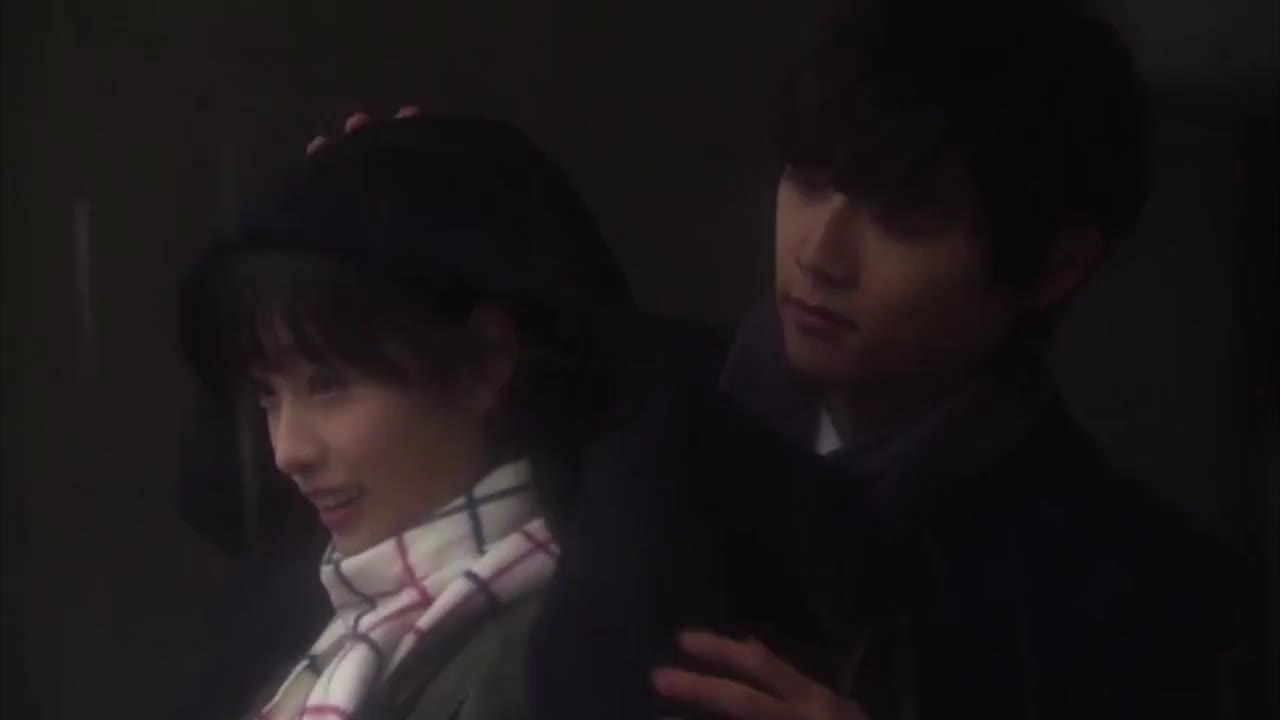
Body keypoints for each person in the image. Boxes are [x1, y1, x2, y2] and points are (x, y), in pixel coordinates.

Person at [528, 0, 1237, 718]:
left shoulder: (1123, 589)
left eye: (903, 221)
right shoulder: (623, 401)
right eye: (807, 182)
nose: (819, 254)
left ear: (1055, 266)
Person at [170, 111, 636, 720]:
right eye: (267, 395)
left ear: (485, 362)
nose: (287, 452)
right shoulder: (337, 610)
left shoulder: (567, 656)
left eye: (328, 383)